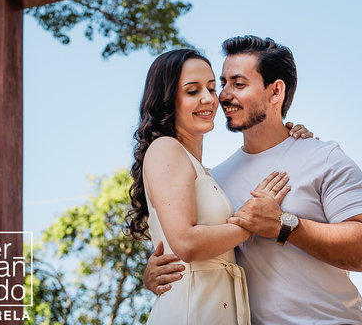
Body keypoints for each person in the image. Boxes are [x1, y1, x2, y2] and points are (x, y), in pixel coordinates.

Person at [142, 36, 362, 325]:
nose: (222, 95)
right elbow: (193, 245)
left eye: (238, 84)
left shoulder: (321, 157)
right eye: (222, 83)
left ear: (275, 92)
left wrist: (284, 225)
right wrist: (155, 271)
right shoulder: (215, 180)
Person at [127, 48, 313, 325]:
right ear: (167, 100)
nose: (209, 98)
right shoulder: (166, 148)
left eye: (212, 88)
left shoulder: (212, 175)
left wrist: (290, 138)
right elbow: (186, 244)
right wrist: (254, 222)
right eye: (192, 91)